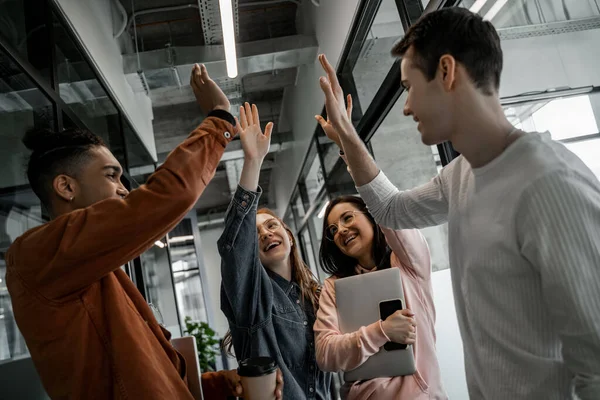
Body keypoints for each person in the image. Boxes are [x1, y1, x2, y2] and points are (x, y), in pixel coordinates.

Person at [315, 7, 600, 400]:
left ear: (446, 72)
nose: (406, 106)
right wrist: (346, 134)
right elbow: (389, 209)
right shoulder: (461, 174)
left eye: (409, 87)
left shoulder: (550, 184)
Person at [5, 64, 282, 399]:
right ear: (66, 186)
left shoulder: (93, 267)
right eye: (111, 175)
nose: (123, 189)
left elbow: (154, 376)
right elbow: (165, 197)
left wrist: (223, 384)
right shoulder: (34, 255)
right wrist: (220, 119)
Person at [218, 102, 332, 399]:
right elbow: (234, 250)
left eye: (271, 226)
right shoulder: (253, 297)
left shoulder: (317, 296)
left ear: (289, 236)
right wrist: (253, 161)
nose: (266, 233)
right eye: (256, 234)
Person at [313, 195, 446, 399]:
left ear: (371, 216)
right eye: (333, 230)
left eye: (347, 218)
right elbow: (325, 354)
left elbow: (388, 208)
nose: (340, 230)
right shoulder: (334, 287)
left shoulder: (406, 263)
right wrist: (381, 331)